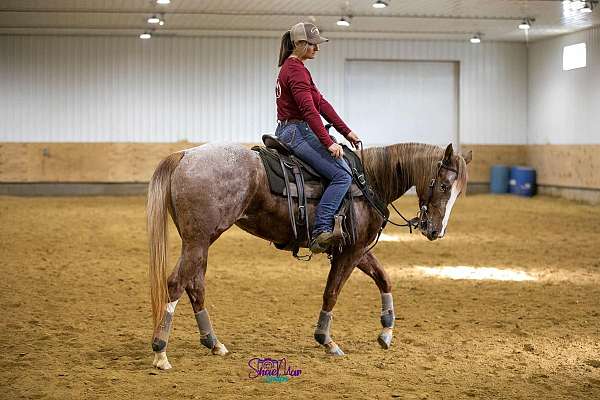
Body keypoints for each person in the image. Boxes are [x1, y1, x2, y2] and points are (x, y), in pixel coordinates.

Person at [274, 22, 361, 254]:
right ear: (300, 44)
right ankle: (320, 230)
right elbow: (309, 111)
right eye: (313, 44)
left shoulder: (294, 68)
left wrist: (345, 131)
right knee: (343, 175)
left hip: (288, 129)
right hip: (297, 131)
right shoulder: (296, 71)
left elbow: (320, 103)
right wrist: (329, 142)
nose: (317, 49)